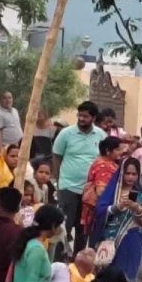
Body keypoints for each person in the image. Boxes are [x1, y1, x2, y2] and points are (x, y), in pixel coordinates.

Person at [53, 102, 107, 250]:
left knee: (83, 228)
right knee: (63, 226)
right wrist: (58, 180)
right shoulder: (66, 134)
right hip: (68, 187)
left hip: (90, 191)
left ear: (94, 118)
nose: (81, 119)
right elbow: (56, 156)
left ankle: (78, 259)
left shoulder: (101, 135)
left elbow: (104, 159)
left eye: (85, 116)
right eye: (80, 115)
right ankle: (60, 257)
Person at [93, 156, 142, 281]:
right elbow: (100, 211)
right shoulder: (113, 193)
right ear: (121, 173)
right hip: (109, 240)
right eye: (127, 173)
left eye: (134, 174)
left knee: (126, 277)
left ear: (138, 175)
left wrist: (136, 208)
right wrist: (117, 207)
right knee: (107, 276)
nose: (130, 177)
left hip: (131, 240)